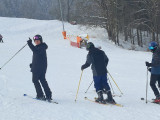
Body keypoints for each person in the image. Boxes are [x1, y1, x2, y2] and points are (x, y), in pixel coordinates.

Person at [27, 35, 52, 101]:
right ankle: (48, 95)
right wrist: (33, 64)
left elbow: (36, 51)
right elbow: (38, 57)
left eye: (38, 41)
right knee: (42, 80)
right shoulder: (39, 47)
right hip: (40, 67)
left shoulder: (41, 47)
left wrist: (30, 44)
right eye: (35, 41)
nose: (36, 42)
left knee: (35, 80)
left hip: (39, 68)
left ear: (41, 41)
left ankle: (40, 95)